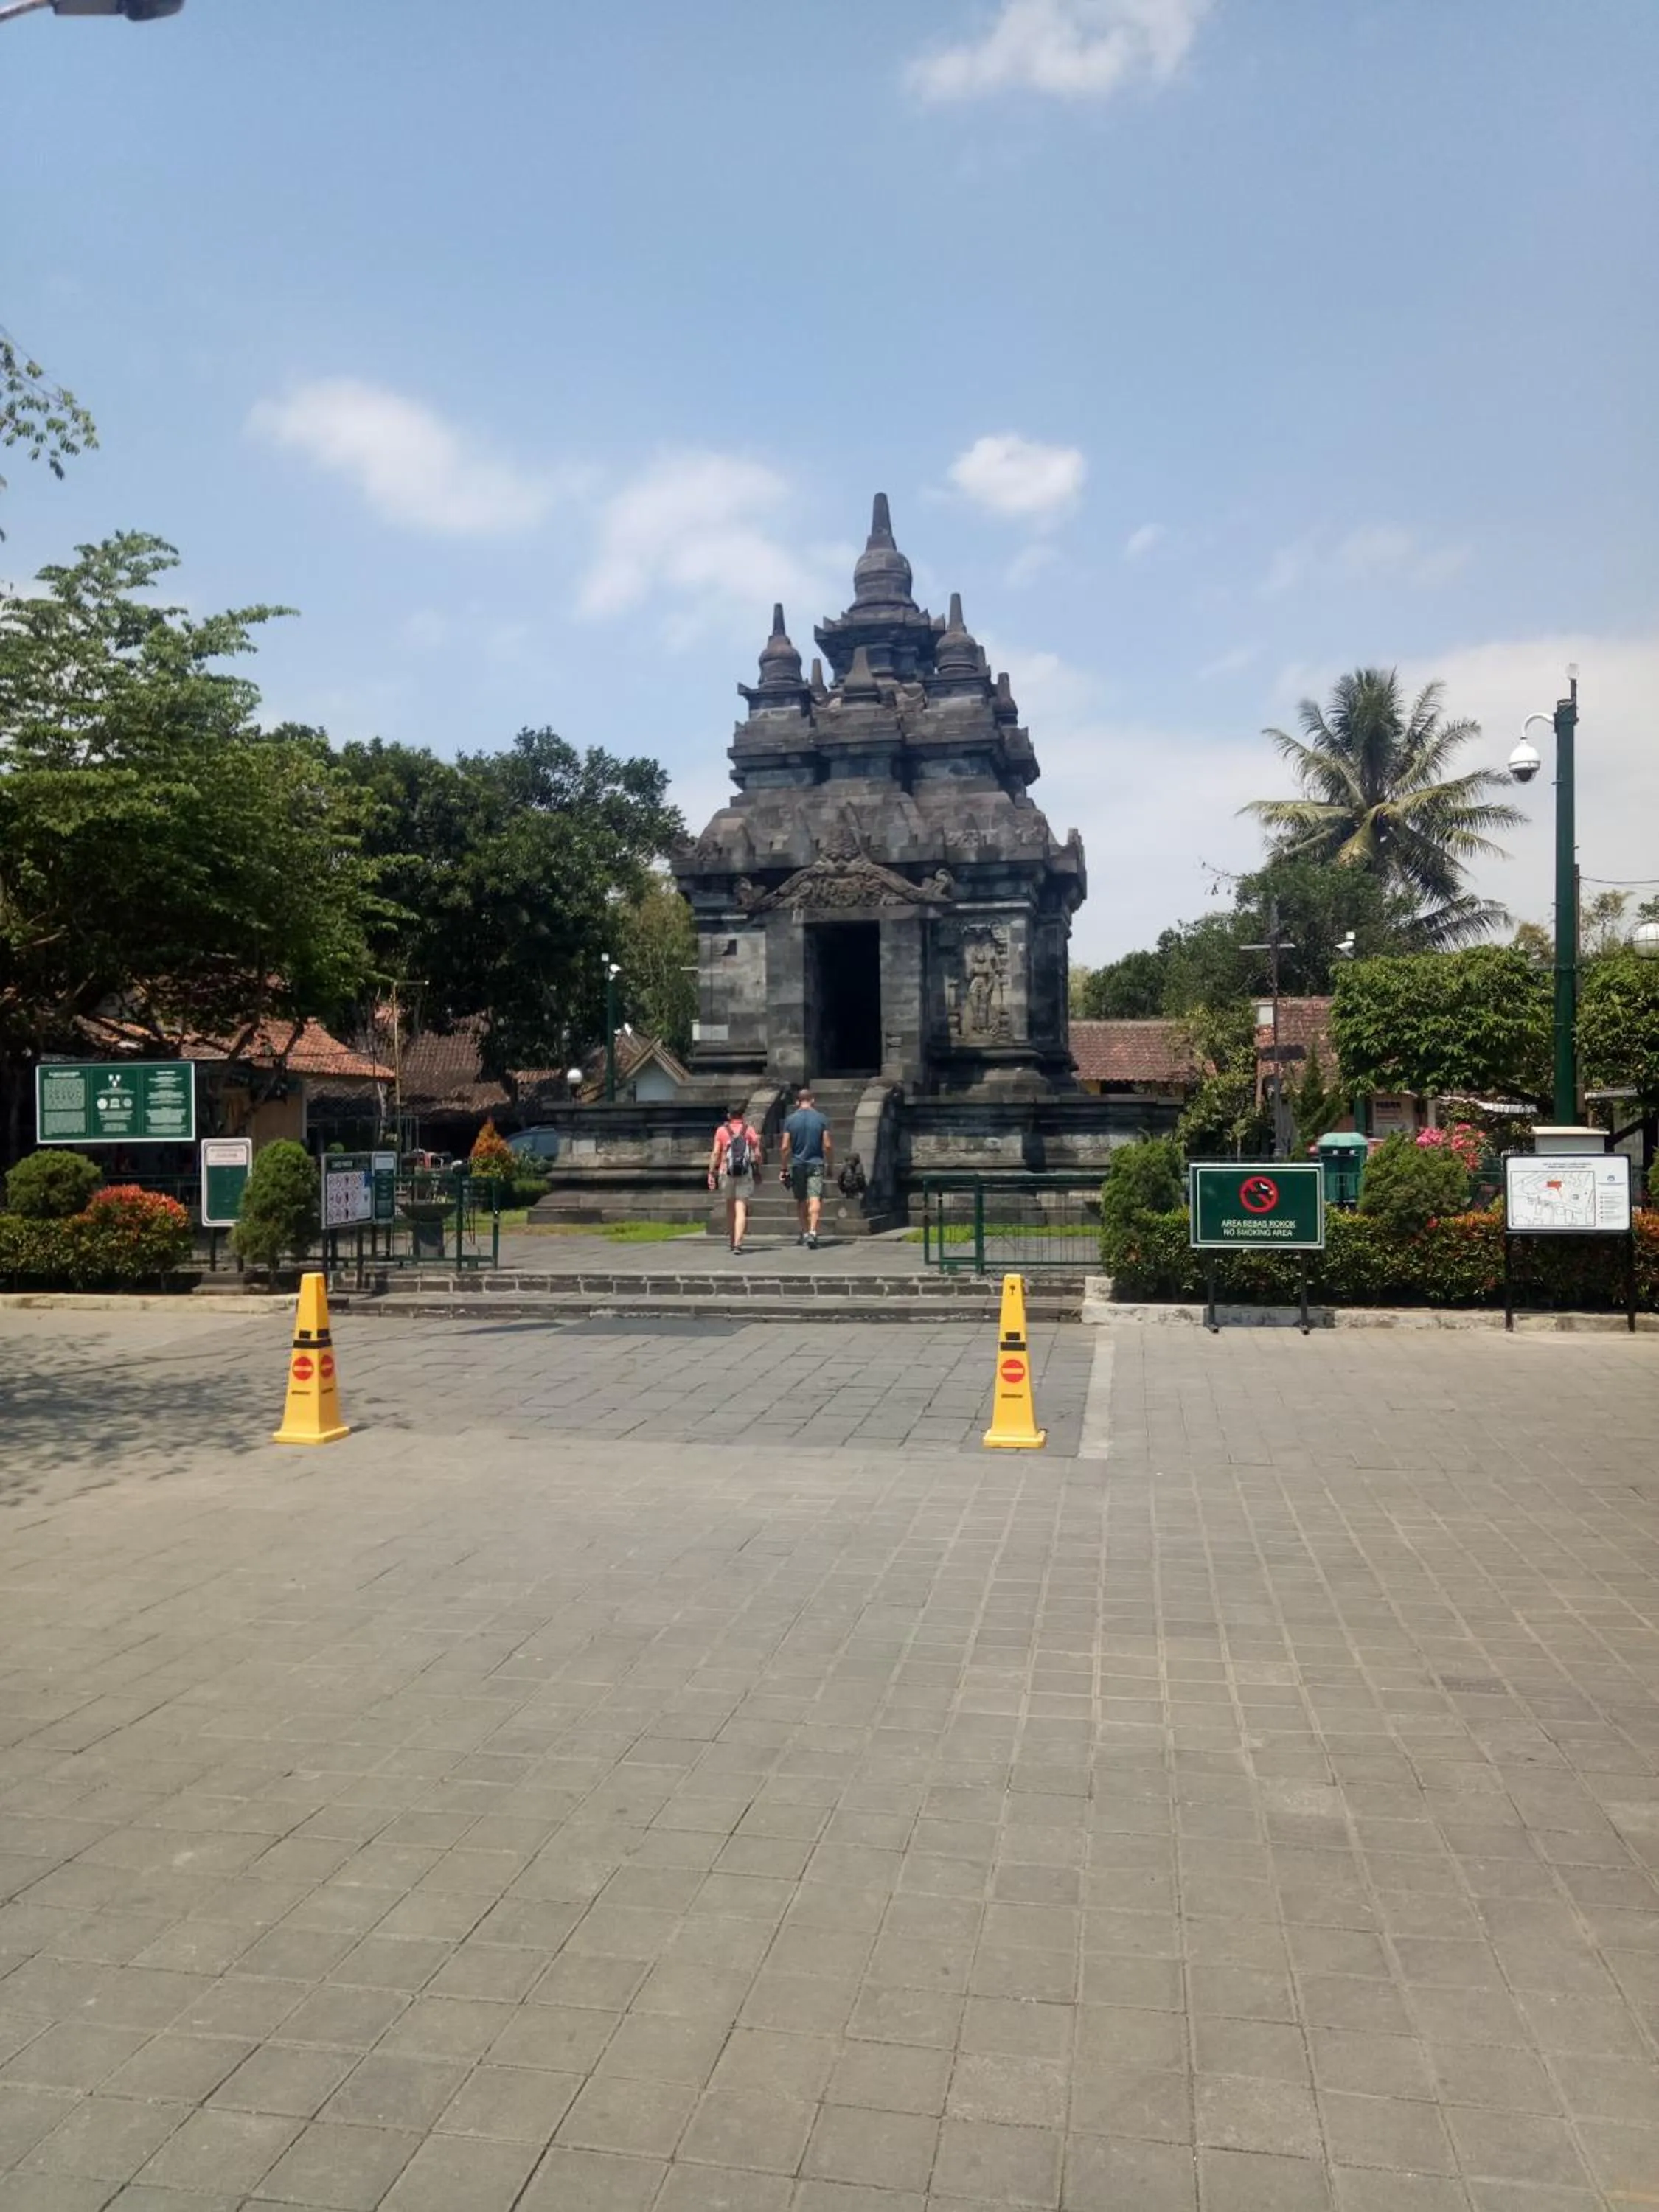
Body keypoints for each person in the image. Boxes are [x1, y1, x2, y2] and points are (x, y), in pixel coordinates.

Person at [779, 1084, 832, 1249]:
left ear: (797, 1102)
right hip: (816, 1162)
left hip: (798, 1164)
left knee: (801, 1199)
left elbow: (784, 1147)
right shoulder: (821, 1119)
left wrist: (783, 1168)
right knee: (815, 1197)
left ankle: (804, 1231)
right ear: (813, 1101)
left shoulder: (790, 1120)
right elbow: (828, 1146)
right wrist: (830, 1164)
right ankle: (813, 1232)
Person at [707, 1102, 762, 1254]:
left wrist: (711, 1172)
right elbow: (757, 1155)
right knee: (741, 1208)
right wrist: (758, 1170)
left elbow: (716, 1153)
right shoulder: (749, 1130)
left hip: (726, 1171)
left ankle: (732, 1241)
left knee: (730, 1207)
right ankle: (739, 1243)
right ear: (742, 1115)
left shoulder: (721, 1131)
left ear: (729, 1116)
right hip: (744, 1172)